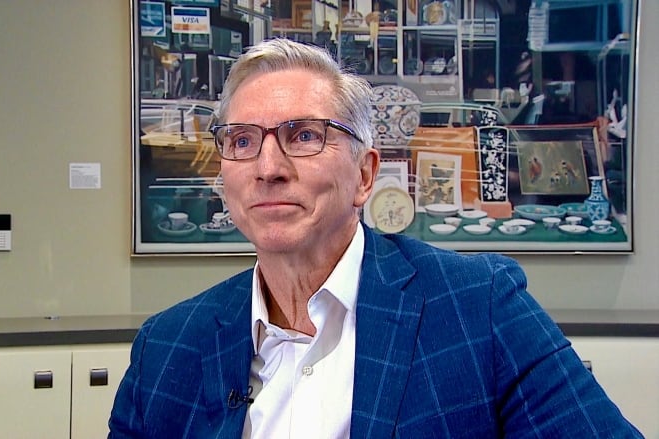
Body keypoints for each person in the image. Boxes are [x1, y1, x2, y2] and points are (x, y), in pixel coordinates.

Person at [109, 38, 642, 438]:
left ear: (365, 175)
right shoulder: (168, 347)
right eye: (243, 141)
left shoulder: (479, 307)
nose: (267, 167)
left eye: (303, 136)